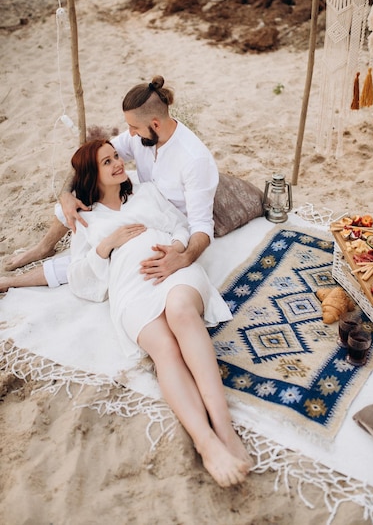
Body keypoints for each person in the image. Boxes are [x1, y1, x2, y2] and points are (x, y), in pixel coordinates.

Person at [67, 138, 252, 487]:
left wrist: (176, 251)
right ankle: (205, 442)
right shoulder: (86, 220)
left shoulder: (145, 192)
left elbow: (181, 225)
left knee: (181, 311)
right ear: (93, 175)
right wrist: (108, 244)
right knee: (164, 349)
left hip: (172, 268)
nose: (118, 163)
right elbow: (79, 279)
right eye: (107, 162)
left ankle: (224, 428)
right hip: (130, 285)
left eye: (117, 156)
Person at [1, 75, 218, 291]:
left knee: (94, 258)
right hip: (143, 197)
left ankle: (14, 282)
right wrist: (67, 194)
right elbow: (89, 161)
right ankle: (44, 247)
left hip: (162, 218)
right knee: (84, 189)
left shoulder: (194, 159)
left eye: (133, 127)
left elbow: (202, 225)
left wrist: (184, 258)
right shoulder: (142, 135)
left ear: (155, 124)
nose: (130, 133)